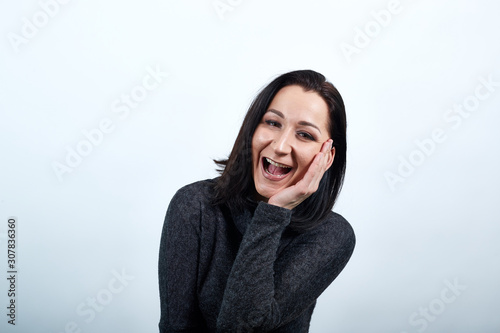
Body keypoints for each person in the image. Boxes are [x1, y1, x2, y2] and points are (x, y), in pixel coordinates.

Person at [158, 69, 355, 332]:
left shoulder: (332, 234)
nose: (281, 146)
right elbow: (176, 327)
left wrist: (274, 213)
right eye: (273, 123)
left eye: (305, 134)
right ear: (253, 127)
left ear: (327, 156)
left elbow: (242, 326)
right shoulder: (194, 206)